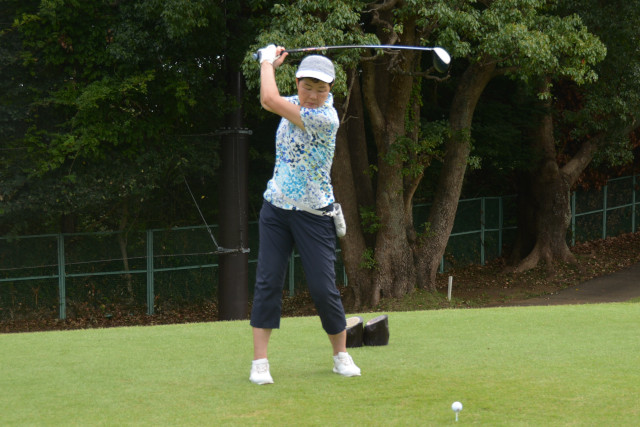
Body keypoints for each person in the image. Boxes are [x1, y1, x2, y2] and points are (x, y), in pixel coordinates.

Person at [249, 44, 361, 385]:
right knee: (268, 282)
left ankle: (341, 355)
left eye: (321, 89)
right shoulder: (294, 104)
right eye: (307, 87)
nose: (313, 95)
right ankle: (260, 364)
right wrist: (269, 65)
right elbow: (271, 97)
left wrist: (267, 61)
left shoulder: (325, 118)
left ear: (330, 90)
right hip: (276, 210)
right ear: (297, 82)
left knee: (322, 287)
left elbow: (268, 100)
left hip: (314, 214)